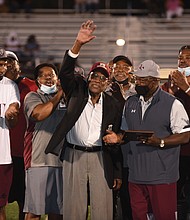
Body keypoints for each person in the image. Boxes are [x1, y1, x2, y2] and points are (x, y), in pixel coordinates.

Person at [45, 20, 123, 220]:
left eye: (102, 78)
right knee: (73, 209)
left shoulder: (114, 104)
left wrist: (117, 171)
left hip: (100, 157)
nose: (97, 80)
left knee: (103, 210)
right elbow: (64, 73)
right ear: (88, 78)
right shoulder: (76, 92)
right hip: (73, 154)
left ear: (107, 83)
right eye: (94, 76)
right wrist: (77, 44)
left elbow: (117, 139)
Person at [103, 59, 190, 220]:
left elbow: (185, 135)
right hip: (136, 175)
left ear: (156, 81)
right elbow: (125, 132)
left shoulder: (173, 104)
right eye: (138, 79)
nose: (139, 83)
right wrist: (117, 138)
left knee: (164, 216)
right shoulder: (130, 102)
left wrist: (161, 142)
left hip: (162, 176)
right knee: (138, 217)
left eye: (144, 79)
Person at [23, 63, 65, 220]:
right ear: (37, 80)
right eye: (44, 75)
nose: (49, 77)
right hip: (39, 160)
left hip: (62, 161)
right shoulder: (33, 97)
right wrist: (59, 94)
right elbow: (39, 114)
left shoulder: (65, 98)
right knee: (35, 211)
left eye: (52, 74)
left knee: (58, 211)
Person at [4, 50, 37, 220]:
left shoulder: (32, 86)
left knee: (26, 201)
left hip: (25, 154)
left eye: (11, 61)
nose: (8, 65)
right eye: (4, 62)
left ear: (19, 65)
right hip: (3, 154)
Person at [162, 45, 190, 219]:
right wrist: (170, 92)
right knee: (174, 190)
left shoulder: (182, 83)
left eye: (188, 57)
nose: (183, 60)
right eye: (181, 57)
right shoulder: (170, 82)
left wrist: (186, 88)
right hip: (176, 148)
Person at [106, 55, 136, 220]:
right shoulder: (105, 90)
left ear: (131, 71)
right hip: (110, 147)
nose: (121, 70)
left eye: (125, 67)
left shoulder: (138, 90)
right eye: (117, 67)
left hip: (131, 147)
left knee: (128, 192)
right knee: (110, 190)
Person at [0, 48, 20, 220]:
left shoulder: (9, 86)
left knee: (1, 208)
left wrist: (11, 112)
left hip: (2, 155)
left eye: (4, 64)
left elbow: (13, 119)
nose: (3, 67)